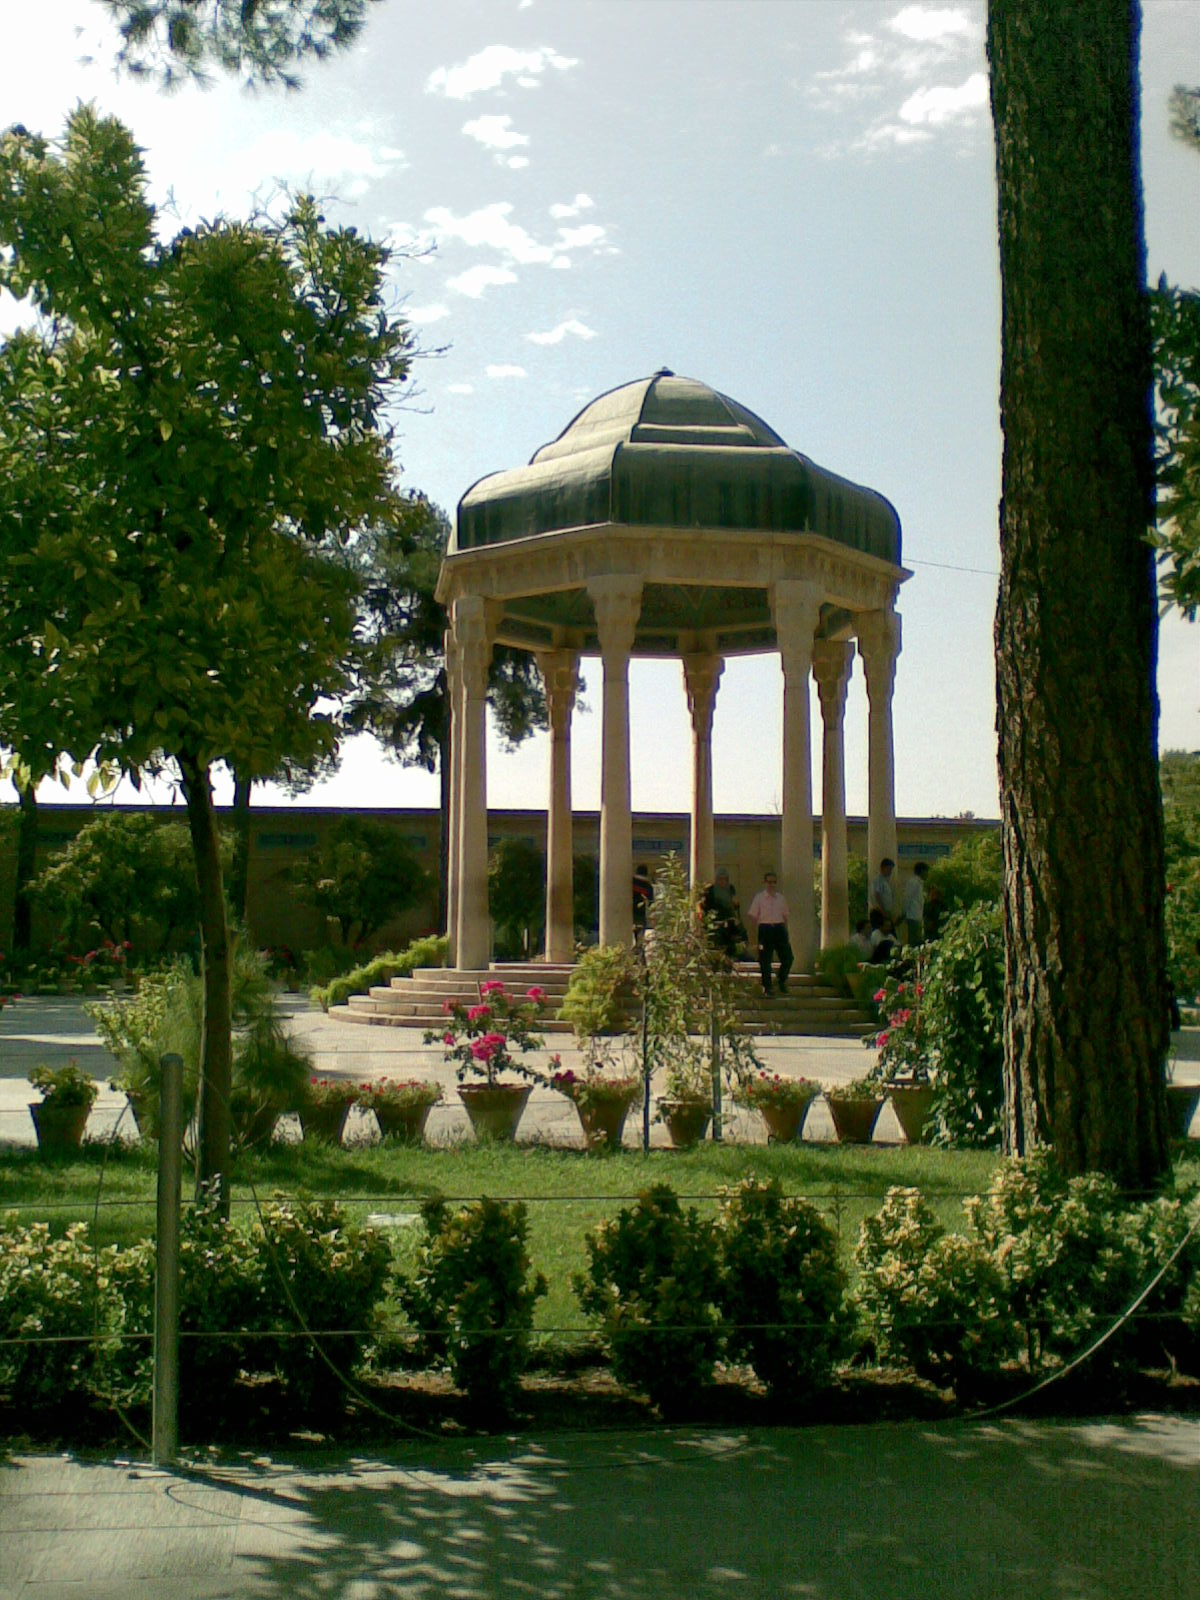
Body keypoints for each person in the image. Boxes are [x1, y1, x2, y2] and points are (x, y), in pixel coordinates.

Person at [747, 869, 792, 995]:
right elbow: (753, 916)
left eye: (774, 882)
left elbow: (785, 916)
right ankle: (767, 986)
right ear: (765, 883)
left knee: (788, 958)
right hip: (765, 929)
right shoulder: (759, 898)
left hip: (779, 929)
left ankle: (781, 980)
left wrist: (785, 933)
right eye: (769, 882)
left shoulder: (781, 899)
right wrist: (754, 936)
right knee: (765, 960)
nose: (771, 885)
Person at [701, 868, 746, 962]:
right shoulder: (710, 890)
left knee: (731, 941)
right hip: (714, 920)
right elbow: (703, 904)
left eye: (725, 879)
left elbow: (734, 903)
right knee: (715, 941)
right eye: (720, 879)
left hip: (728, 920)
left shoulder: (730, 888)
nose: (723, 882)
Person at [899, 861, 929, 946]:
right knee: (914, 941)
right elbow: (907, 898)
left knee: (918, 940)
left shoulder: (920, 883)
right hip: (912, 916)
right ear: (922, 871)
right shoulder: (913, 882)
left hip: (917, 916)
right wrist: (904, 912)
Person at [632, 863, 654, 941]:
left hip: (627, 910)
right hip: (640, 912)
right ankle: (639, 946)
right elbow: (651, 901)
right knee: (640, 931)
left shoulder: (630, 882)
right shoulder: (648, 886)